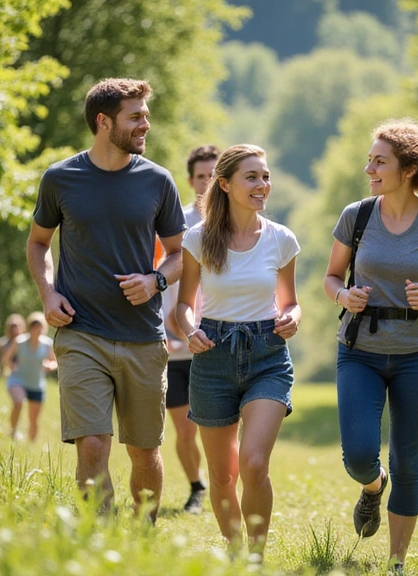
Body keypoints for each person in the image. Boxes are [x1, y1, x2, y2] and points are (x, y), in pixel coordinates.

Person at [26, 78, 186, 523]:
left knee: (143, 451)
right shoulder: (61, 178)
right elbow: (38, 243)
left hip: (142, 336)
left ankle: (143, 534)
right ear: (103, 121)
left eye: (145, 116)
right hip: (81, 333)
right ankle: (100, 543)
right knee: (93, 444)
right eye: (135, 117)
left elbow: (179, 255)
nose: (145, 125)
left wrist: (155, 281)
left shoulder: (158, 180)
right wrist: (48, 292)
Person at [323, 119, 418, 574]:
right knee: (360, 454)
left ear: (408, 168)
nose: (369, 168)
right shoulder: (357, 215)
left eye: (379, 161)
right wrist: (343, 295)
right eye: (369, 159)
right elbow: (331, 277)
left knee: (408, 460)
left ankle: (396, 562)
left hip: (417, 356)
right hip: (360, 351)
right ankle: (372, 486)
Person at [176, 144, 300, 559]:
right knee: (223, 474)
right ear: (225, 184)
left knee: (253, 464)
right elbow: (182, 306)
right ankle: (233, 555)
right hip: (212, 356)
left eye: (265, 176)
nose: (262, 185)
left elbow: (291, 301)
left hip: (267, 354)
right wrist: (189, 330)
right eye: (252, 177)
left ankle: (256, 558)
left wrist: (293, 317)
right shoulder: (197, 239)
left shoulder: (282, 239)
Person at [158, 144, 220, 514]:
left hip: (218, 343)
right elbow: (154, 278)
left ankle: (224, 485)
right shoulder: (172, 226)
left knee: (220, 427)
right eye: (202, 176)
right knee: (184, 430)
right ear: (190, 180)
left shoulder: (234, 225)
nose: (208, 182)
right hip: (176, 347)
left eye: (215, 175)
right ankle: (198, 487)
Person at [3, 312, 57, 441]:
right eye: (34, 325)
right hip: (18, 379)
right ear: (29, 327)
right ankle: (13, 432)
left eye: (39, 326)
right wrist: (11, 366)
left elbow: (55, 361)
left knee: (34, 420)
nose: (36, 328)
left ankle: (31, 445)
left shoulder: (47, 344)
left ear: (44, 328)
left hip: (37, 383)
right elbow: (6, 359)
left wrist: (50, 366)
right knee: (18, 402)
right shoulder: (20, 341)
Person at [185, 145, 221, 228]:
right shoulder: (180, 221)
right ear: (191, 181)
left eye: (212, 175)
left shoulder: (236, 218)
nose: (207, 181)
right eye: (200, 176)